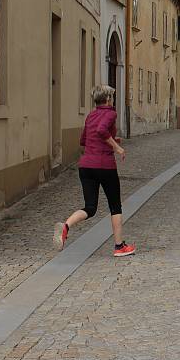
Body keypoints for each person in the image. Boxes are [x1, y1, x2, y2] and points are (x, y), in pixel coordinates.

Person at [53, 85, 135, 257]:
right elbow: (101, 130)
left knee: (90, 207)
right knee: (115, 206)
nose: (112, 100)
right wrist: (117, 147)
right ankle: (119, 247)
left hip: (86, 166)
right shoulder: (111, 113)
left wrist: (111, 139)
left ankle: (66, 226)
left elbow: (84, 139)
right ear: (107, 99)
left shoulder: (91, 115)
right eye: (112, 97)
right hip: (104, 166)